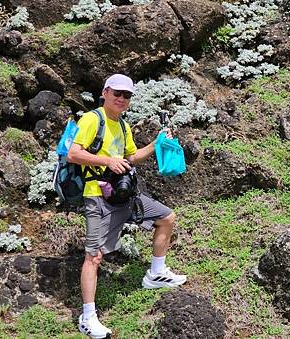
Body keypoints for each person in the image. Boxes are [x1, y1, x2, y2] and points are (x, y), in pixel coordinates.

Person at [68, 74, 186, 339]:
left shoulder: (122, 126)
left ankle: (156, 274)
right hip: (98, 196)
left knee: (166, 217)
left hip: (124, 193)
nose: (122, 99)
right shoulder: (92, 119)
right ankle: (87, 317)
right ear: (105, 93)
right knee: (94, 256)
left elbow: (131, 158)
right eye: (117, 93)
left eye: (127, 95)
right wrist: (107, 161)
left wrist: (156, 144)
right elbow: (73, 153)